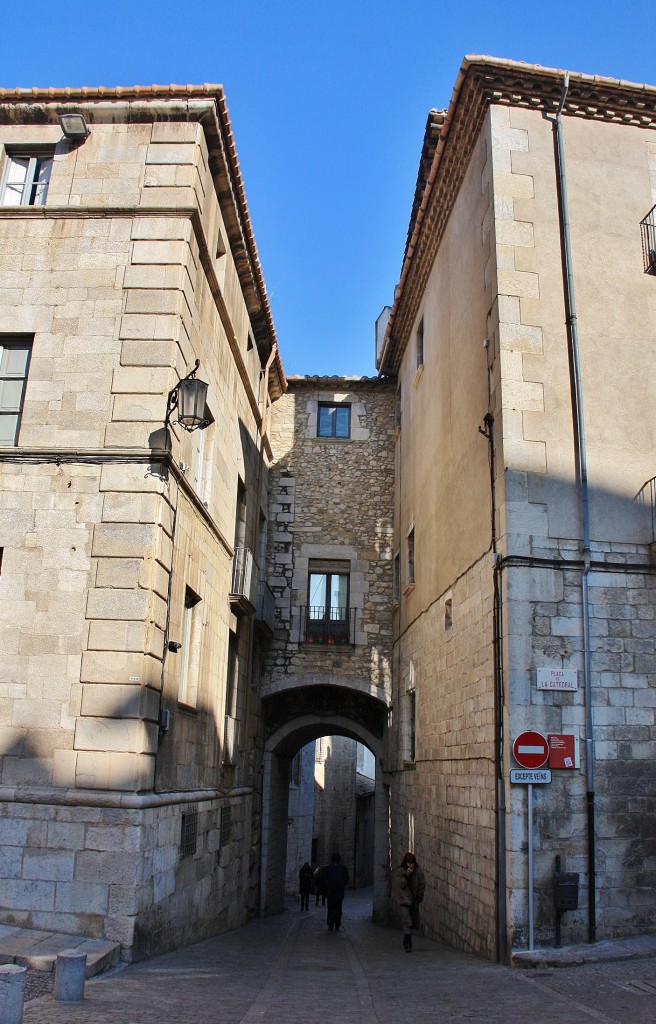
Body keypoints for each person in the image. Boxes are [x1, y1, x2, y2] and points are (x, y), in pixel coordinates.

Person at [395, 851, 425, 952]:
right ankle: (408, 943)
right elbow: (400, 884)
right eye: (409, 863)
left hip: (413, 901)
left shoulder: (418, 872)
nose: (410, 865)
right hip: (403, 900)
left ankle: (406, 938)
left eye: (412, 863)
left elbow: (421, 884)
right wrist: (407, 874)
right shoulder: (400, 872)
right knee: (407, 921)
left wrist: (420, 896)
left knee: (411, 922)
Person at [322, 852, 349, 930]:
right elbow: (346, 879)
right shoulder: (342, 869)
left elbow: (325, 879)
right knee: (338, 909)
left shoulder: (329, 869)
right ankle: (337, 923)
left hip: (332, 893)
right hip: (338, 893)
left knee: (331, 909)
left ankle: (331, 924)